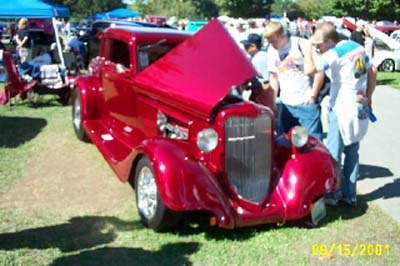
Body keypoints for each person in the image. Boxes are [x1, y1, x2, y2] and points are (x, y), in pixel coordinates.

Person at [304, 22, 377, 207]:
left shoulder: (334, 53)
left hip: (341, 106)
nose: (318, 47)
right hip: (359, 104)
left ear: (329, 41)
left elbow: (309, 70)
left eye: (319, 44)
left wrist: (308, 48)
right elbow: (372, 71)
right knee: (352, 151)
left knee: (333, 152)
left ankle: (331, 194)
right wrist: (369, 96)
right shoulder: (358, 47)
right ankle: (350, 194)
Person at [263, 21, 324, 140]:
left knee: (312, 142)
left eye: (274, 41)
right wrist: (273, 101)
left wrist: (313, 96)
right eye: (269, 42)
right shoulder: (271, 51)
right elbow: (274, 77)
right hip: (286, 104)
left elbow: (319, 72)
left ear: (282, 36)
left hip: (305, 103)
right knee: (288, 143)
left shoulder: (301, 45)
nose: (273, 45)